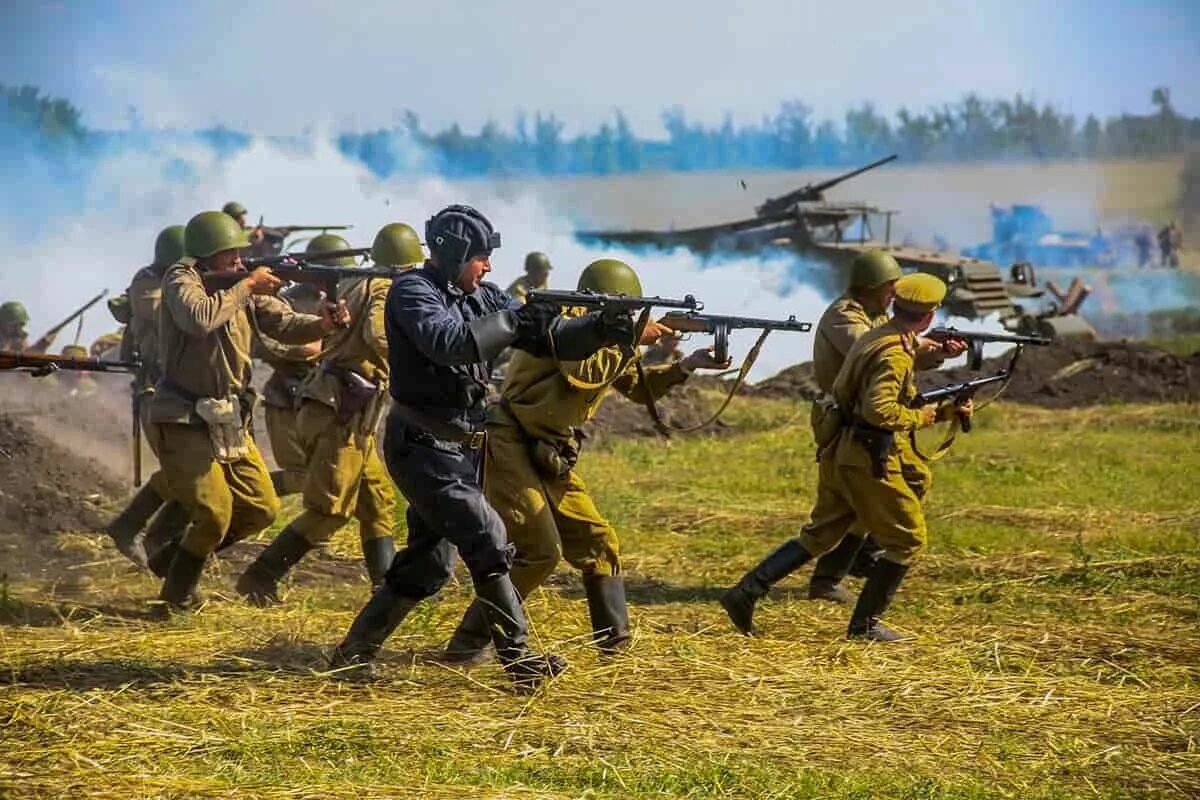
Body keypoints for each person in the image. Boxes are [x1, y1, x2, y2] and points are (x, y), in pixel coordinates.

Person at [328, 204, 628, 691]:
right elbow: (448, 342)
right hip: (421, 446)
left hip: (459, 450)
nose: (488, 268)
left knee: (428, 565)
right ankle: (519, 659)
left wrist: (601, 330)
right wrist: (519, 319)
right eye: (481, 258)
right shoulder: (412, 292)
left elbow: (552, 339)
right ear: (456, 254)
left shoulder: (483, 296)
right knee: (488, 537)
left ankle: (352, 653)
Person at [441, 258, 730, 665]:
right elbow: (584, 372)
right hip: (509, 440)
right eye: (627, 309)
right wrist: (632, 337)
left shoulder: (610, 335)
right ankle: (468, 645)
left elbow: (633, 386)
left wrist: (686, 365)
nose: (631, 317)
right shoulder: (563, 324)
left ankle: (615, 650)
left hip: (549, 451)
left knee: (599, 543)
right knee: (539, 551)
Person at [721, 273, 972, 642]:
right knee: (907, 541)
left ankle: (745, 592)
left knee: (821, 533)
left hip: (842, 450)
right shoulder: (894, 353)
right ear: (931, 315)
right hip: (870, 458)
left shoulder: (879, 334)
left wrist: (937, 361)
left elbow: (893, 360)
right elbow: (880, 411)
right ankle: (864, 626)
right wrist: (928, 415)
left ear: (896, 304)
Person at [149, 210, 347, 613]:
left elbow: (285, 325)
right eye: (232, 255)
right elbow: (199, 319)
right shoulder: (180, 278)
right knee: (213, 514)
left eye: (242, 255)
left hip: (229, 417)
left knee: (260, 508)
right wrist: (247, 284)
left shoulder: (242, 285)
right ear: (208, 255)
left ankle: (177, 560)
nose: (240, 262)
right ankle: (174, 598)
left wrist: (324, 324)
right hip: (183, 415)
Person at [236, 223, 425, 604]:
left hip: (351, 412)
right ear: (408, 265)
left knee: (376, 503)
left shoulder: (363, 285)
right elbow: (378, 335)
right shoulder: (386, 289)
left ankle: (385, 592)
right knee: (330, 510)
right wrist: (422, 356)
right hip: (341, 412)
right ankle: (260, 576)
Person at [804, 252, 965, 603]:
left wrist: (939, 353)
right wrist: (921, 341)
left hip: (875, 422)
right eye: (892, 287)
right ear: (873, 287)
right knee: (843, 509)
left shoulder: (877, 317)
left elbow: (898, 354)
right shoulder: (844, 316)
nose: (896, 294)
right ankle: (829, 579)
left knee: (913, 481)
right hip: (849, 422)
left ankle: (865, 558)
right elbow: (875, 352)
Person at [103, 226, 192, 569]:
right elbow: (176, 318)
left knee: (186, 471)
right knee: (187, 472)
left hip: (179, 394)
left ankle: (134, 529)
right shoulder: (148, 288)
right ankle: (149, 537)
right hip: (157, 393)